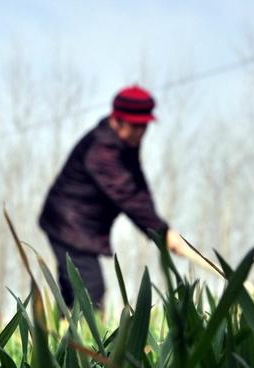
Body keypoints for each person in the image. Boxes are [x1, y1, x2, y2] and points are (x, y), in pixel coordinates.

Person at [39, 85, 187, 309]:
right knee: (90, 290)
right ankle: (84, 342)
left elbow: (138, 188)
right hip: (68, 224)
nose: (140, 132)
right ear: (117, 119)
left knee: (73, 293)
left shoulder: (124, 143)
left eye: (144, 126)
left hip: (77, 225)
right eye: (135, 125)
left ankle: (62, 339)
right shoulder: (102, 151)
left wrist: (162, 231)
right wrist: (161, 232)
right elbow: (128, 196)